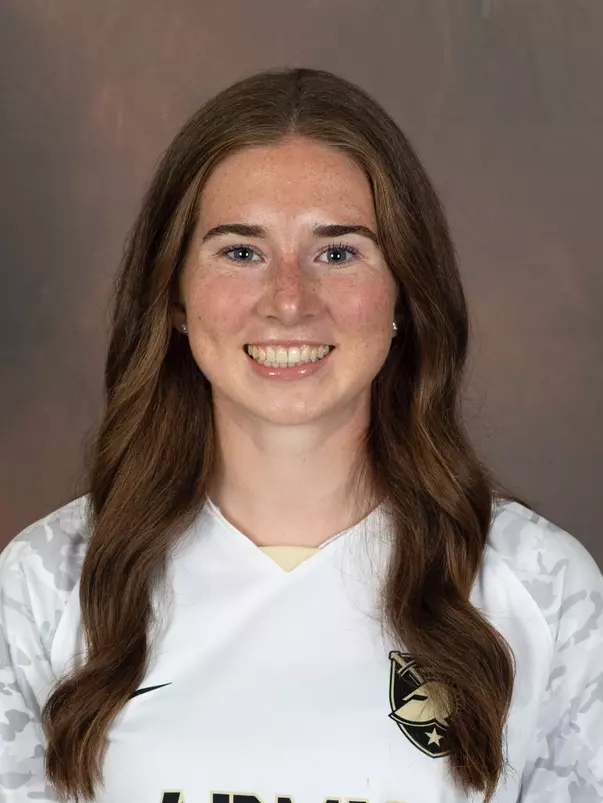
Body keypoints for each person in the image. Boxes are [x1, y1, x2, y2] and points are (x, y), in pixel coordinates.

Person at [0, 66, 601, 803]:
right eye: (241, 251)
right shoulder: (43, 588)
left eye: (337, 251)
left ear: (404, 295)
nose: (288, 300)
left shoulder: (539, 590)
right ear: (176, 297)